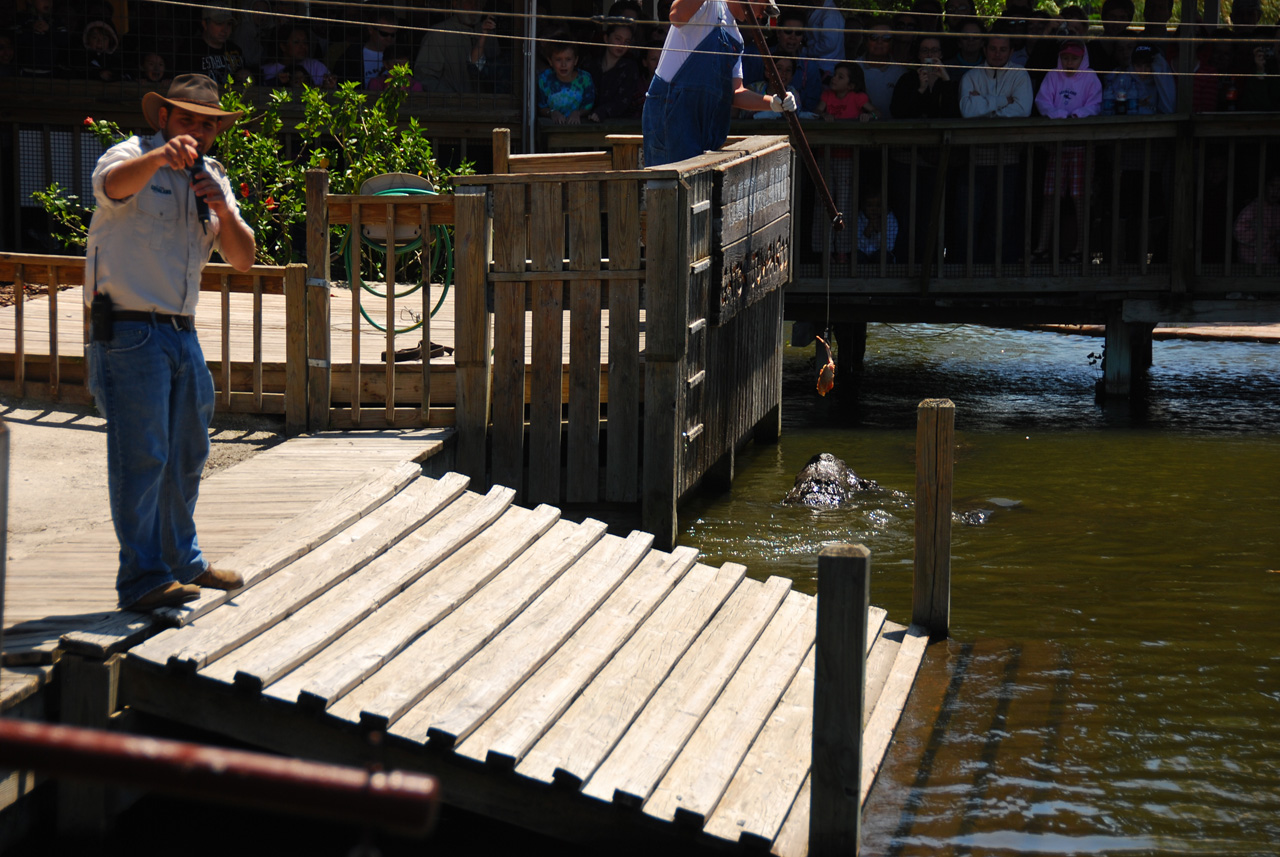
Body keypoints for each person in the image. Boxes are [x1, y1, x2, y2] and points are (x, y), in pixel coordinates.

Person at [83, 74, 255, 611]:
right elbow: (111, 187)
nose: (199, 132)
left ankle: (183, 561)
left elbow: (243, 258)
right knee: (143, 455)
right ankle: (142, 579)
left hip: (181, 330)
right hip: (127, 328)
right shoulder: (132, 154)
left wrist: (223, 209)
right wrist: (160, 160)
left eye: (208, 124)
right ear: (163, 119)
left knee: (186, 452)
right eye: (187, 120)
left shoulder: (214, 177)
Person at [641, 0, 796, 168]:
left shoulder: (736, 39)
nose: (761, 15)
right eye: (763, 8)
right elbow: (676, 15)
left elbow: (735, 92)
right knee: (667, 185)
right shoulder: (709, 5)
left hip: (703, 125)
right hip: (672, 114)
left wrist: (773, 103)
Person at [1032, 39, 1101, 264]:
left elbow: (1095, 105)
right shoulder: (1053, 75)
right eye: (1065, 57)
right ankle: (1042, 247)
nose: (1069, 62)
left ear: (1083, 58)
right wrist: (1060, 116)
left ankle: (1080, 247)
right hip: (1057, 145)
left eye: (1074, 58)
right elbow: (1042, 101)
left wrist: (1077, 117)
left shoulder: (1091, 77)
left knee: (1080, 198)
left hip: (1081, 145)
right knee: (1050, 196)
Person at [812, 62, 872, 264]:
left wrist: (867, 116)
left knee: (844, 205)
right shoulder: (826, 96)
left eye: (840, 77)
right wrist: (824, 116)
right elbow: (816, 113)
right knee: (823, 204)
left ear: (851, 85)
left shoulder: (858, 98)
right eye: (835, 75)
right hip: (825, 156)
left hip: (846, 158)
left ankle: (843, 250)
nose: (834, 79)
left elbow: (876, 114)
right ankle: (824, 249)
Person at [413, 0, 499, 94]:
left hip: (484, 105)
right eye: (469, 2)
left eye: (478, 2)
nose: (475, 6)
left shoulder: (489, 35)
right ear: (456, 3)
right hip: (449, 105)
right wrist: (452, 97)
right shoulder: (438, 34)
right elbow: (424, 77)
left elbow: (498, 75)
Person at [584, 23, 644, 121]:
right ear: (606, 38)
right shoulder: (590, 66)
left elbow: (623, 100)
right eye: (618, 39)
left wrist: (602, 112)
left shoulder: (630, 68)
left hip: (620, 125)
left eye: (626, 41)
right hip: (586, 122)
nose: (622, 45)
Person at [179, 7, 247, 83]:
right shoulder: (190, 50)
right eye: (219, 23)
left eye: (229, 24)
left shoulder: (235, 50)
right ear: (205, 24)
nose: (224, 30)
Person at [261, 25, 336, 89]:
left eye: (305, 42)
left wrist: (327, 86)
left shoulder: (316, 66)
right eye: (296, 42)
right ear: (283, 46)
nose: (303, 46)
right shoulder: (267, 70)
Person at [858, 19, 905, 119]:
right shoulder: (852, 68)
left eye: (886, 38)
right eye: (874, 37)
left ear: (892, 42)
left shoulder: (901, 72)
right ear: (866, 40)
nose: (879, 42)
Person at [538, 42, 594, 124]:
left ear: (575, 60)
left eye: (568, 59)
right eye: (558, 59)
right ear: (550, 61)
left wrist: (578, 113)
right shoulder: (544, 79)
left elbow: (589, 106)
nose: (563, 64)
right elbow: (541, 107)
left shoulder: (585, 79)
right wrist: (552, 112)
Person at [1233, 173, 1280, 263]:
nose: (1275, 191)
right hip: (1249, 261)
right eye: (1272, 186)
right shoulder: (1253, 208)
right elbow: (1239, 231)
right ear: (1264, 186)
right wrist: (1266, 234)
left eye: (1279, 188)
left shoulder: (1278, 210)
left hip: (1271, 262)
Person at [805, 0, 847, 76]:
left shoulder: (831, 14)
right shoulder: (817, 11)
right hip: (818, 64)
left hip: (827, 67)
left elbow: (828, 44)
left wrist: (808, 51)